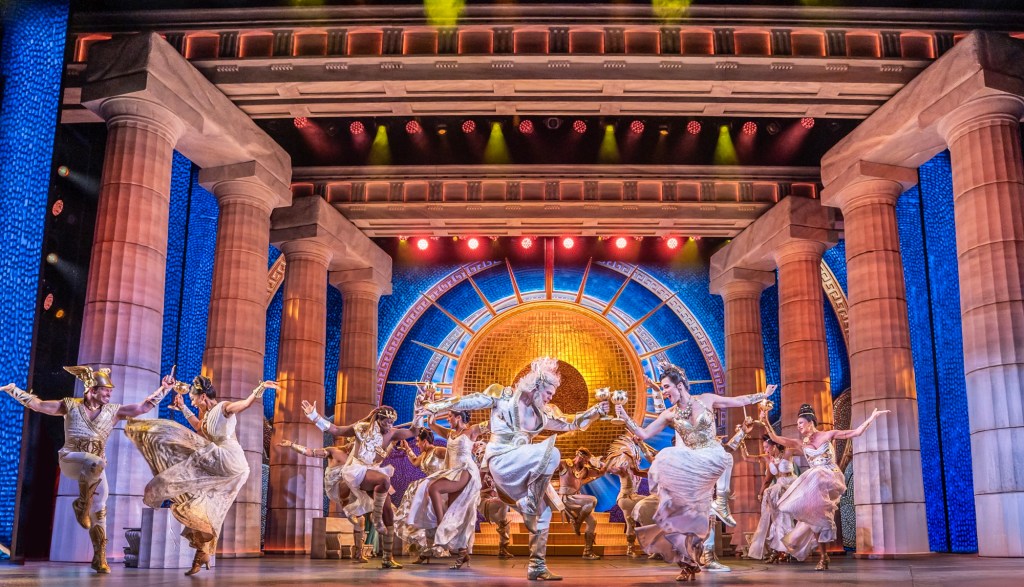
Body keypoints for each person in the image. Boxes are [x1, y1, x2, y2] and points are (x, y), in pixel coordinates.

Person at [422, 357, 609, 581]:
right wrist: (435, 406)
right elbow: (469, 401)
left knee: (544, 512)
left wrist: (596, 411)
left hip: (522, 466)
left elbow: (571, 422)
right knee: (553, 453)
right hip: (501, 459)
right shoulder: (503, 396)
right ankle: (529, 504)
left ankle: (537, 566)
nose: (551, 397)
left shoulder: (543, 413)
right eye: (549, 392)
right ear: (537, 386)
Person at [2, 367, 171, 573]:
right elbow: (38, 405)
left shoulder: (113, 411)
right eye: (105, 390)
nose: (109, 394)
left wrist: (164, 388)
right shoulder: (70, 405)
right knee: (95, 462)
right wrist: (13, 389)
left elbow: (143, 407)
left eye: (110, 390)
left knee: (100, 506)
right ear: (92, 390)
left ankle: (99, 557)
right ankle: (82, 505)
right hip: (71, 460)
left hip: (95, 468)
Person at [615, 361, 773, 581]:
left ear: (679, 385)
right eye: (662, 388)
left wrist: (763, 395)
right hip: (693, 464)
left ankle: (721, 502)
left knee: (676, 458)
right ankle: (688, 563)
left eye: (666, 387)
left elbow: (737, 401)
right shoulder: (670, 414)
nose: (664, 391)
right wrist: (624, 416)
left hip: (713, 455)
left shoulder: (706, 399)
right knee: (685, 516)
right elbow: (644, 434)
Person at [125, 375, 276, 575]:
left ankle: (165, 474)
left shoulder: (223, 407)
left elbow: (244, 404)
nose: (193, 402)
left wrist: (260, 389)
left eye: (193, 399)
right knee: (208, 506)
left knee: (185, 446)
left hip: (229, 458)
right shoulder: (207, 417)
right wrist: (183, 408)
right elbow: (198, 427)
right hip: (227, 464)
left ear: (203, 396)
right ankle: (203, 553)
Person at [761, 403, 888, 570]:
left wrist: (871, 418)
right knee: (814, 518)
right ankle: (823, 556)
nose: (798, 426)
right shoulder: (800, 443)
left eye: (800, 423)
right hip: (815, 484)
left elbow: (856, 432)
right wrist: (765, 421)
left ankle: (823, 545)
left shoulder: (828, 435)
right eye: (797, 424)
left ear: (810, 422)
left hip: (830, 476)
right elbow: (776, 439)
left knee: (815, 473)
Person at [301, 400, 419, 569]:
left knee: (388, 511)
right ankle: (376, 518)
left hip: (372, 471)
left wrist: (419, 411)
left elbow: (413, 431)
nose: (390, 425)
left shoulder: (392, 433)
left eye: (392, 422)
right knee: (384, 480)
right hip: (356, 470)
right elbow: (336, 430)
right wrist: (314, 416)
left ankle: (387, 558)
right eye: (387, 422)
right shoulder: (361, 428)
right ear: (378, 419)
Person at [397, 409, 485, 569]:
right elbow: (431, 423)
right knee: (454, 513)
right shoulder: (450, 433)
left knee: (433, 488)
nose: (448, 419)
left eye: (450, 416)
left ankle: (441, 525)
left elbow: (491, 425)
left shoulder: (471, 431)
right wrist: (431, 409)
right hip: (451, 473)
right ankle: (462, 553)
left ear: (459, 417)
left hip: (464, 470)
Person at [277, 436, 368, 562]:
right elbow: (311, 452)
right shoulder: (333, 451)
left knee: (361, 519)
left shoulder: (358, 459)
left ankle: (359, 554)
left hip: (350, 489)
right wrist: (292, 445)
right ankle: (348, 508)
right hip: (334, 487)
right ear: (350, 442)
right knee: (352, 476)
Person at [394, 425, 448, 564]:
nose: (417, 444)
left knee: (432, 519)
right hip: (428, 489)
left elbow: (454, 456)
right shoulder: (424, 455)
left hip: (439, 488)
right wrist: (407, 449)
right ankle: (426, 551)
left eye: (418, 441)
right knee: (425, 521)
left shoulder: (438, 450)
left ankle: (438, 548)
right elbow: (414, 462)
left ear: (424, 441)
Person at [741, 433, 797, 563]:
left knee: (784, 515)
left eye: (766, 447)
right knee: (777, 518)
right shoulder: (768, 458)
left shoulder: (787, 453)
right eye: (764, 447)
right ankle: (779, 550)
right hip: (779, 489)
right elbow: (747, 458)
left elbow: (802, 449)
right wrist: (742, 443)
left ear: (774, 445)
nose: (765, 450)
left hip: (791, 486)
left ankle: (787, 549)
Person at [604, 434, 655, 558]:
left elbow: (650, 471)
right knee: (635, 519)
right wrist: (611, 463)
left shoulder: (637, 471)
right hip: (625, 499)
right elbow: (611, 469)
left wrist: (641, 445)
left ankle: (636, 547)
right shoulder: (623, 470)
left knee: (634, 521)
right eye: (633, 459)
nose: (636, 461)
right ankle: (639, 547)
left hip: (633, 497)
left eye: (636, 459)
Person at [555, 448, 606, 560]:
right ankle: (577, 522)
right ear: (580, 456)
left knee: (592, 522)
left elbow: (601, 473)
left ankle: (587, 552)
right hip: (566, 498)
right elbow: (547, 468)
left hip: (576, 498)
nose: (587, 462)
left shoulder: (584, 470)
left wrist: (602, 463)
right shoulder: (564, 463)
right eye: (586, 460)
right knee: (592, 500)